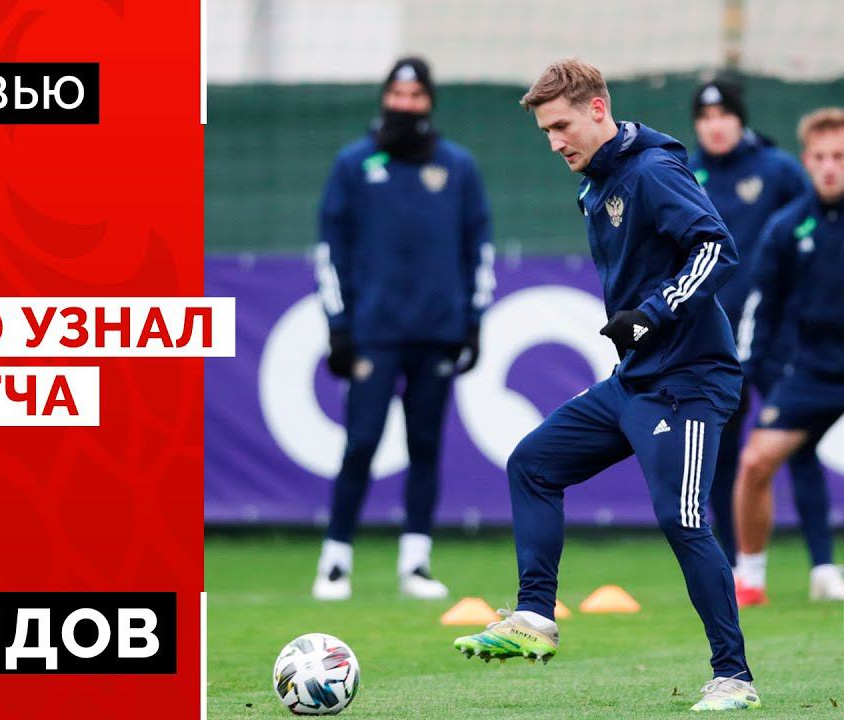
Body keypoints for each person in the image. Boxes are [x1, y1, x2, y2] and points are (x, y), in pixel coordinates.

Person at [452, 59, 759, 712]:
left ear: (598, 109)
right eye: (545, 131)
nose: (554, 142)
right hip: (637, 381)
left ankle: (734, 677)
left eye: (561, 126)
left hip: (689, 382)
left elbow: (716, 248)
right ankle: (534, 616)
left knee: (682, 518)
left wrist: (652, 312)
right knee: (533, 463)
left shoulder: (652, 171)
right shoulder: (596, 184)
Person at [313, 56, 495, 602]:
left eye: (415, 97)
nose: (406, 104)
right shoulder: (354, 163)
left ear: (429, 102)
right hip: (374, 332)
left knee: (426, 446)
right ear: (385, 98)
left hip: (437, 331)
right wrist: (339, 326)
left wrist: (473, 323)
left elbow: (478, 248)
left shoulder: (457, 165)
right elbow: (330, 249)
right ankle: (335, 561)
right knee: (361, 443)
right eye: (397, 94)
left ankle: (416, 563)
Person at [687, 81, 843, 606]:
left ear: (741, 118)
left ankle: (823, 566)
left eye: (725, 114)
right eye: (705, 116)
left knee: (800, 453)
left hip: (788, 350)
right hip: (726, 345)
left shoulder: (776, 171)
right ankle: (740, 569)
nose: (715, 125)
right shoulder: (686, 174)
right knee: (732, 456)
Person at [733, 107, 844, 606]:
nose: (829, 167)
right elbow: (763, 304)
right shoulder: (787, 226)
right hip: (813, 369)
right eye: (821, 157)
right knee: (756, 462)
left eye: (839, 156)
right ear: (806, 160)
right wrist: (750, 369)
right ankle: (750, 578)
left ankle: (823, 571)